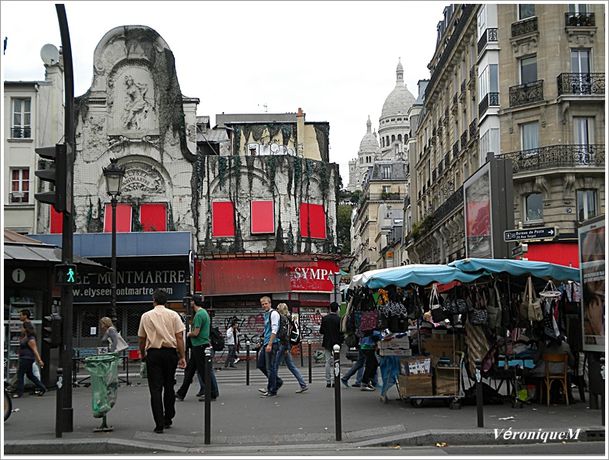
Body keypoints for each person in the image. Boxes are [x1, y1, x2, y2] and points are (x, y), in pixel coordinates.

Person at [138, 288, 186, 434]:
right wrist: (182, 356)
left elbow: (142, 338)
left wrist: (142, 354)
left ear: (154, 300)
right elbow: (179, 337)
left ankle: (159, 424)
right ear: (167, 301)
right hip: (170, 353)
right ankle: (168, 417)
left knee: (155, 389)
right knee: (169, 385)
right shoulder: (174, 315)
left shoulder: (146, 316)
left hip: (153, 354)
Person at [186, 295, 219, 402]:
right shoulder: (204, 313)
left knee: (204, 371)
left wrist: (188, 334)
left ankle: (211, 392)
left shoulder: (199, 315)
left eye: (191, 301)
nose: (190, 303)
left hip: (199, 345)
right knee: (192, 370)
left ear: (194, 302)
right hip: (200, 344)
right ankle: (181, 392)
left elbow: (196, 333)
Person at [273, 304, 308, 393]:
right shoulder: (290, 318)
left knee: (274, 366)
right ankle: (303, 384)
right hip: (287, 345)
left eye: (277, 308)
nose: (276, 310)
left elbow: (285, 334)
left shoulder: (282, 319)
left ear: (280, 310)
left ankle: (272, 387)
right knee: (291, 366)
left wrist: (286, 348)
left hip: (282, 344)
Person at [257, 296, 283, 397]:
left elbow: (274, 329)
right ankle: (277, 381)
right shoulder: (266, 314)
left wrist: (270, 344)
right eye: (262, 304)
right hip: (266, 342)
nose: (264, 306)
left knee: (270, 367)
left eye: (265, 303)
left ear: (270, 303)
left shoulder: (274, 314)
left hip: (272, 343)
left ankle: (272, 389)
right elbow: (267, 329)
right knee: (261, 364)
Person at [13, 322, 46, 398]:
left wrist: (39, 360)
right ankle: (42, 387)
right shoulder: (25, 337)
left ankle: (19, 392)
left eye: (22, 328)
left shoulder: (30, 339)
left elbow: (35, 350)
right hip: (26, 358)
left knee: (20, 374)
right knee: (30, 375)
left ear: (26, 329)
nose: (21, 329)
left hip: (26, 359)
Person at [319, 302, 343, 388]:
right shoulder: (339, 319)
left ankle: (328, 381)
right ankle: (335, 381)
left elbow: (321, 331)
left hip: (327, 342)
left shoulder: (325, 318)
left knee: (327, 362)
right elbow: (341, 332)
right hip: (336, 343)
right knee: (336, 362)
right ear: (337, 309)